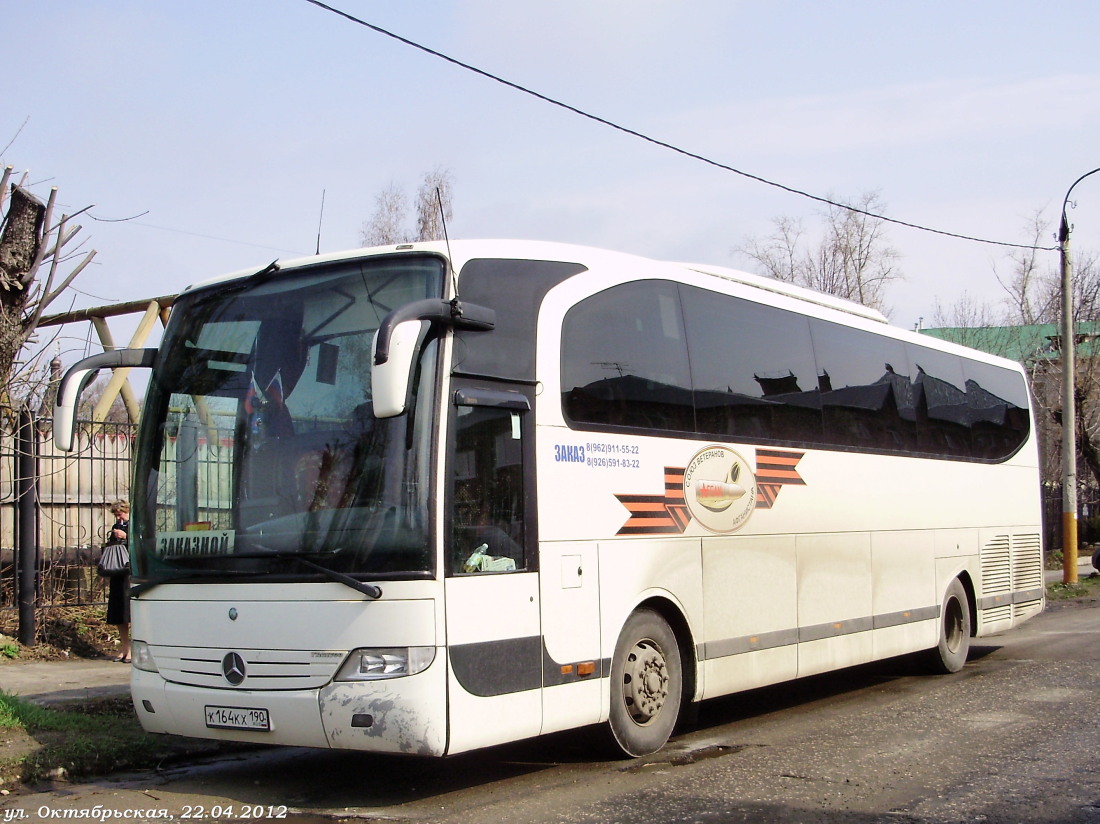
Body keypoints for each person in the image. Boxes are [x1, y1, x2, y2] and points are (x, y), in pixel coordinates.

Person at [105, 500, 131, 663]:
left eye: (119, 514)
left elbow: (143, 545)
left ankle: (133, 650)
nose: (118, 517)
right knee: (119, 614)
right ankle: (124, 647)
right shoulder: (116, 528)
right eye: (115, 515)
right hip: (117, 573)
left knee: (130, 614)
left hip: (130, 574)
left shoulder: (134, 526)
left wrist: (126, 537)